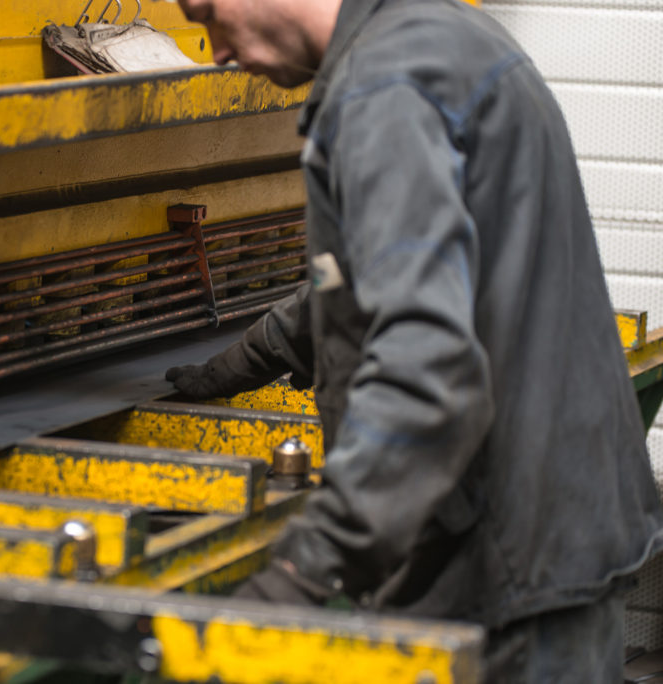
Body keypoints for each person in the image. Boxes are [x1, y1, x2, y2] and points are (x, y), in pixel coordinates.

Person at [165, 0, 663, 679]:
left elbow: (426, 367)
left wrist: (301, 574)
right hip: (558, 536)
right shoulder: (440, 37)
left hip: (505, 571)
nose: (215, 49)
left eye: (206, 13)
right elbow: (407, 268)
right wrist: (259, 350)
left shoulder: (383, 87)